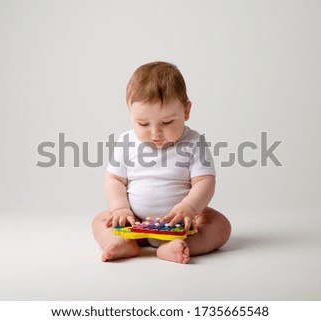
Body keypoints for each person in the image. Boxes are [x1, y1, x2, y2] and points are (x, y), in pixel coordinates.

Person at [92, 61, 231, 264]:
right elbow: (114, 179)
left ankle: (175, 246)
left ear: (186, 111)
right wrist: (120, 209)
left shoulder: (193, 142)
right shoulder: (126, 142)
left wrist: (189, 208)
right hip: (134, 222)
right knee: (100, 221)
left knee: (220, 225)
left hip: (181, 223)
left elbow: (205, 181)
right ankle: (123, 243)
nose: (155, 132)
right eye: (143, 123)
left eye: (167, 122)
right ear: (130, 112)